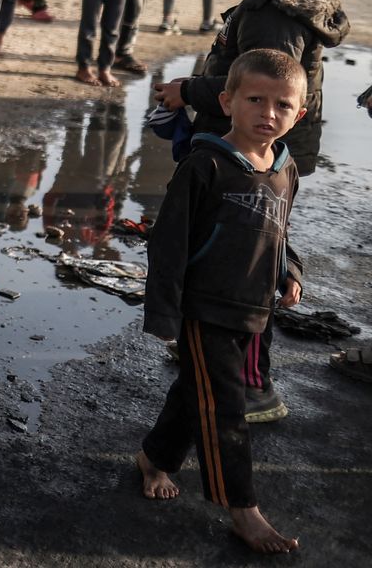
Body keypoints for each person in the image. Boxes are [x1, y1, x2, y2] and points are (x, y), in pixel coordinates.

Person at [156, 0, 346, 421]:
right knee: (237, 249)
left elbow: (264, 83)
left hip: (252, 152)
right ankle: (212, 350)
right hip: (260, 149)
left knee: (248, 262)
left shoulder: (270, 8)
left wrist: (188, 89)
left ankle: (251, 383)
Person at [136, 49, 306, 555]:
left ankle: (154, 457)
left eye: (282, 105)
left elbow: (278, 232)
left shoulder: (284, 168)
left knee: (198, 393)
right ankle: (243, 509)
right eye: (255, 100)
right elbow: (169, 242)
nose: (267, 114)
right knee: (225, 408)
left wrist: (288, 271)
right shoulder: (205, 164)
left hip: (252, 309)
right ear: (228, 101)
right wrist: (164, 311)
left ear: (299, 114)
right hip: (203, 307)